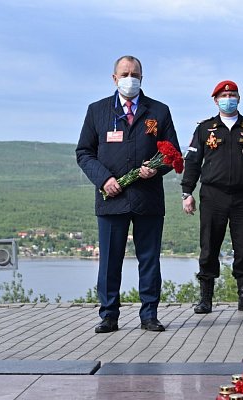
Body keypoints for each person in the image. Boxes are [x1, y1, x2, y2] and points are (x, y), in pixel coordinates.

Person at [76, 55, 180, 333]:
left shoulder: (159, 111)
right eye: (124, 74)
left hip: (148, 199)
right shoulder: (97, 110)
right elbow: (84, 152)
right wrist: (104, 179)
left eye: (134, 74)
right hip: (112, 199)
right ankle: (109, 315)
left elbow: (172, 154)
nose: (129, 79)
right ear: (114, 78)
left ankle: (149, 315)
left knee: (149, 260)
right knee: (110, 261)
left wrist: (156, 170)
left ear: (142, 78)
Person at [181, 80, 243, 315]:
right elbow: (192, 162)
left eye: (232, 95)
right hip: (213, 195)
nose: (228, 99)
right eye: (224, 96)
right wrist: (187, 192)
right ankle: (205, 299)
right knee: (209, 247)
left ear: (239, 99)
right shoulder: (205, 129)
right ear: (215, 100)